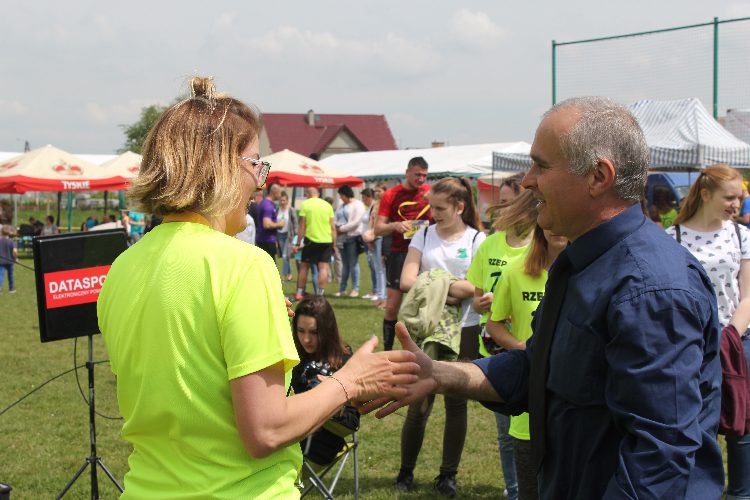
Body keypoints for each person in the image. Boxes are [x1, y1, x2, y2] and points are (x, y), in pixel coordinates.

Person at [361, 96, 724, 499]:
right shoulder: (583, 262)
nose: (528, 181)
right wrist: (438, 373)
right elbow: (538, 367)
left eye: (541, 166)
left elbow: (659, 458)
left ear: (598, 177)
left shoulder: (651, 288)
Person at [97, 76, 418, 499]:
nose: (261, 182)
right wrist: (350, 380)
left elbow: (181, 380)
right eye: (255, 164)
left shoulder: (122, 267)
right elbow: (267, 430)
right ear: (222, 168)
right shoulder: (244, 265)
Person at [394, 177, 486, 497]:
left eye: (440, 208)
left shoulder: (477, 239)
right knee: (418, 402)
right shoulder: (422, 234)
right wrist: (451, 287)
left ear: (460, 207)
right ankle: (405, 472)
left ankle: (448, 475)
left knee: (456, 403)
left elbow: (477, 288)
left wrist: (433, 283)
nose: (433, 214)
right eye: (431, 207)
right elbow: (406, 279)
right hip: (427, 326)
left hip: (465, 328)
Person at [666, 164, 750, 500]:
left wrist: (730, 337)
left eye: (739, 198)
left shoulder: (741, 235)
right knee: (698, 424)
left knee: (742, 424)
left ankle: (741, 494)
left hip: (736, 341)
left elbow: (748, 295)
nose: (736, 204)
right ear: (705, 194)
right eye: (729, 198)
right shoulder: (673, 237)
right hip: (689, 346)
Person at [484, 224, 568, 500]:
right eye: (552, 223)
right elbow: (494, 324)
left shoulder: (587, 272)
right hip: (530, 404)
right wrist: (525, 350)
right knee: (530, 490)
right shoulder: (516, 271)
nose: (558, 229)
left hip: (571, 404)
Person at [466, 187, 536, 500]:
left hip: (533, 346)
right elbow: (476, 296)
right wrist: (483, 303)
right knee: (508, 431)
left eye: (510, 200)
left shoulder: (544, 244)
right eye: (502, 200)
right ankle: (515, 489)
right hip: (496, 346)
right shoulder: (491, 244)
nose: (503, 206)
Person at [290, 297, 360, 466]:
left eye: (314, 332)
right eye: (301, 331)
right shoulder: (293, 357)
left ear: (327, 330)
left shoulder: (344, 361)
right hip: (287, 435)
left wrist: (331, 395)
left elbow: (352, 422)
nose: (306, 339)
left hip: (319, 444)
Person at [375, 157, 431, 350]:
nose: (421, 179)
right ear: (407, 172)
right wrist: (395, 225)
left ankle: (422, 351)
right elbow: (378, 229)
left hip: (425, 254)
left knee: (424, 306)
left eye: (424, 175)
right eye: (417, 174)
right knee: (392, 307)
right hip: (399, 254)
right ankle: (387, 351)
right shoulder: (391, 194)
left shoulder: (430, 192)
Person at [294, 186, 336, 300]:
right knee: (323, 268)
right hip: (326, 240)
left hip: (311, 240)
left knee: (304, 267)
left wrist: (298, 243)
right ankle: (320, 294)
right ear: (318, 194)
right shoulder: (328, 205)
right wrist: (334, 244)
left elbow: (302, 226)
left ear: (307, 194)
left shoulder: (305, 204)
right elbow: (333, 227)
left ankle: (299, 293)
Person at [334, 185, 365, 298]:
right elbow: (335, 218)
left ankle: (355, 289)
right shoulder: (341, 206)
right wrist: (336, 227)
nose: (341, 198)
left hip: (352, 236)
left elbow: (356, 222)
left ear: (346, 194)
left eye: (341, 195)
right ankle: (342, 289)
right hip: (341, 238)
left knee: (353, 263)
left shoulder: (358, 205)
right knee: (345, 264)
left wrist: (341, 229)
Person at [256, 183, 285, 258]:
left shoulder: (266, 203)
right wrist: (279, 224)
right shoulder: (268, 206)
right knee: (269, 264)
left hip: (264, 240)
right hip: (266, 241)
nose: (280, 195)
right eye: (280, 193)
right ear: (274, 192)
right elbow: (267, 224)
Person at [277, 191, 297, 281]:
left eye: (284, 200)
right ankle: (289, 273)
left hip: (288, 235)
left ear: (287, 201)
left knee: (285, 255)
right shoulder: (277, 210)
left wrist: (296, 237)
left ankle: (284, 276)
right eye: (281, 200)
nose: (282, 202)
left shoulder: (291, 210)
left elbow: (295, 223)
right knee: (285, 256)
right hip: (279, 234)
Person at [0, 225, 17, 293]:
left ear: (1, 232)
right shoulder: (12, 241)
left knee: (1, 274)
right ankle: (11, 288)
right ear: (9, 232)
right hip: (10, 261)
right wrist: (15, 259)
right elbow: (15, 251)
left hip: (1, 261)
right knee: (10, 275)